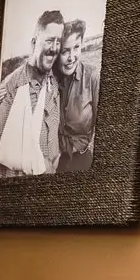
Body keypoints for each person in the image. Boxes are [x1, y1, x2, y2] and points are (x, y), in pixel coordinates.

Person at [0, 9, 64, 178]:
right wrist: (37, 163)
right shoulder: (10, 87)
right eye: (49, 40)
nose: (54, 48)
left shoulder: (53, 85)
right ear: (33, 43)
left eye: (58, 42)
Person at [55, 18, 100, 172]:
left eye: (76, 47)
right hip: (52, 164)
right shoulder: (49, 79)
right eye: (65, 51)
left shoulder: (93, 77)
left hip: (81, 162)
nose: (71, 57)